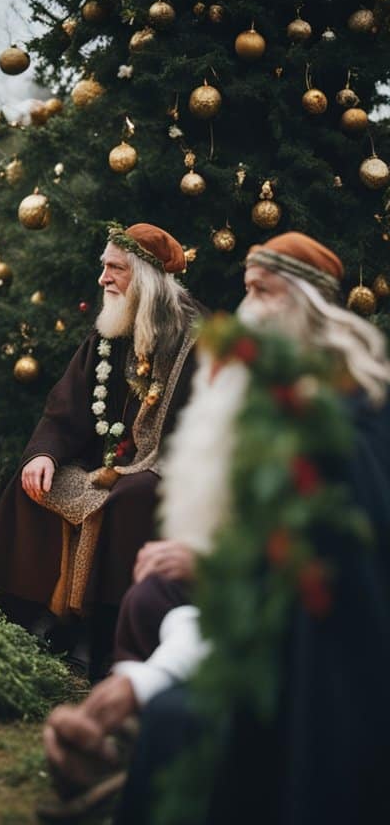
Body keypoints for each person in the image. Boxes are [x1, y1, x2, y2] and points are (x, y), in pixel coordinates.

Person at [41, 232, 390, 823]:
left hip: (322, 660)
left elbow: (315, 586)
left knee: (175, 713)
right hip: (255, 608)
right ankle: (127, 763)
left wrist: (148, 680)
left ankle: (144, 773)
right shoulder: (268, 397)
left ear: (305, 304)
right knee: (154, 592)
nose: (246, 308)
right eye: (246, 288)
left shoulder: (338, 421)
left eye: (263, 291)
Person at [0, 223, 200, 675]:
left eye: (115, 269)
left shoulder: (195, 340)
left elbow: (198, 431)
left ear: (147, 279)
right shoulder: (109, 333)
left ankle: (100, 637)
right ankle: (21, 619)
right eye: (104, 267)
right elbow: (65, 412)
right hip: (101, 463)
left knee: (128, 500)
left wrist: (146, 469)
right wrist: (45, 453)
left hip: (165, 471)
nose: (102, 279)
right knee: (34, 482)